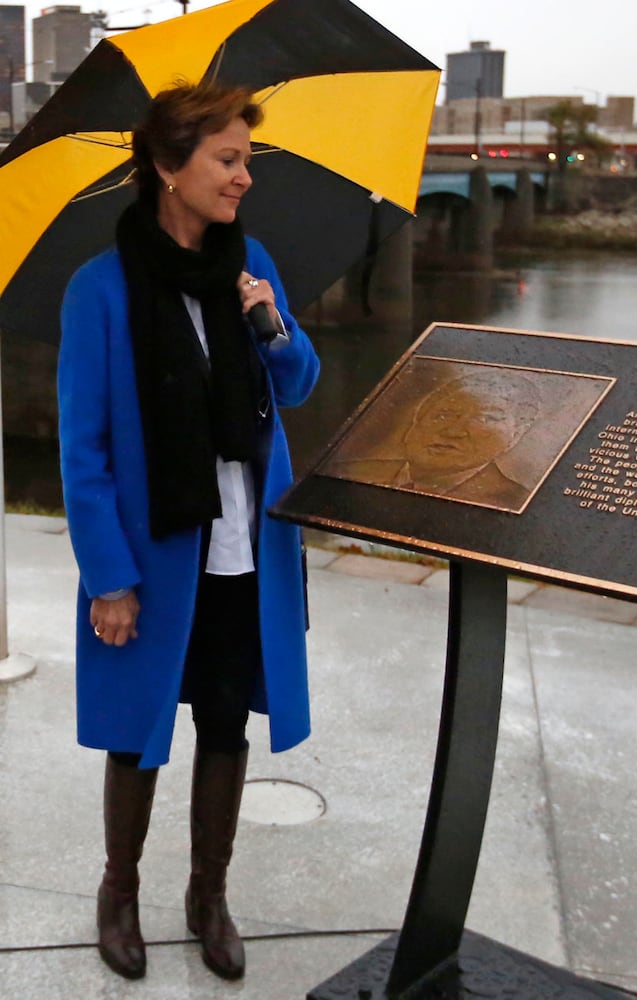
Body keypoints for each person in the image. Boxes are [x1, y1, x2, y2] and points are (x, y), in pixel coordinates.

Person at [57, 81, 320, 982]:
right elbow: (82, 448)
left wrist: (271, 325)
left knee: (224, 719)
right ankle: (119, 893)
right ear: (169, 168)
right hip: (152, 548)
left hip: (242, 540)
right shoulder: (99, 292)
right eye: (228, 159)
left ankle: (209, 896)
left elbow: (297, 387)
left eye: (246, 159)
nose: (244, 177)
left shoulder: (254, 267)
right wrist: (109, 578)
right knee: (137, 732)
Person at [331, 369, 540, 510]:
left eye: (486, 418)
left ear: (516, 434)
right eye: (443, 415)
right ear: (417, 421)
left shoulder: (516, 503)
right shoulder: (345, 475)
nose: (453, 431)